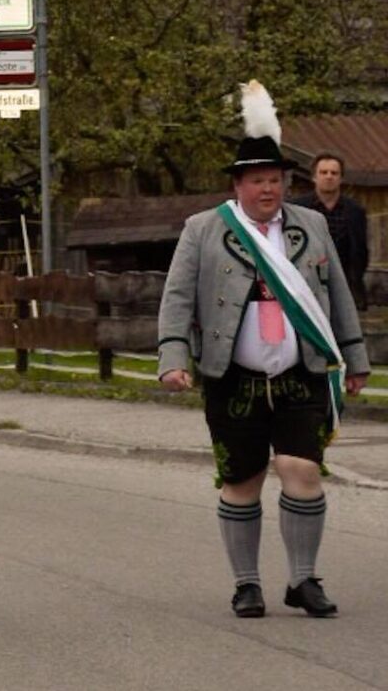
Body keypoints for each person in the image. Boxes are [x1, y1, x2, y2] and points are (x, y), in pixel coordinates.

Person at [158, 82, 370, 620]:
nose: (268, 190)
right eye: (258, 181)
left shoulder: (312, 225)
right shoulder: (203, 230)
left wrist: (356, 357)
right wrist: (173, 358)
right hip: (233, 377)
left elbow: (337, 295)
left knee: (302, 469)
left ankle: (302, 579)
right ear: (239, 184)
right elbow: (178, 297)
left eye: (275, 180)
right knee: (242, 481)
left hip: (301, 374)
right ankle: (246, 584)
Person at [291, 153, 370, 310]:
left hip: (345, 283)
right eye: (323, 172)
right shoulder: (297, 209)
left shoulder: (355, 211)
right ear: (314, 177)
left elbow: (361, 251)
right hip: (306, 282)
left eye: (334, 173)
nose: (329, 177)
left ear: (341, 178)